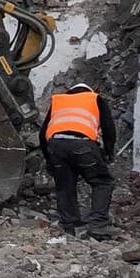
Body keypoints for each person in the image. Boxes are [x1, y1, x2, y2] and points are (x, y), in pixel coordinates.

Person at [43, 82, 117, 239]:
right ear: (89, 91)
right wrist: (109, 153)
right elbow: (109, 128)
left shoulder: (59, 100)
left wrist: (48, 158)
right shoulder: (95, 99)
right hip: (82, 144)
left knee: (64, 185)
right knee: (102, 182)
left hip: (56, 145)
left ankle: (69, 224)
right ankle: (98, 225)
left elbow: (43, 131)